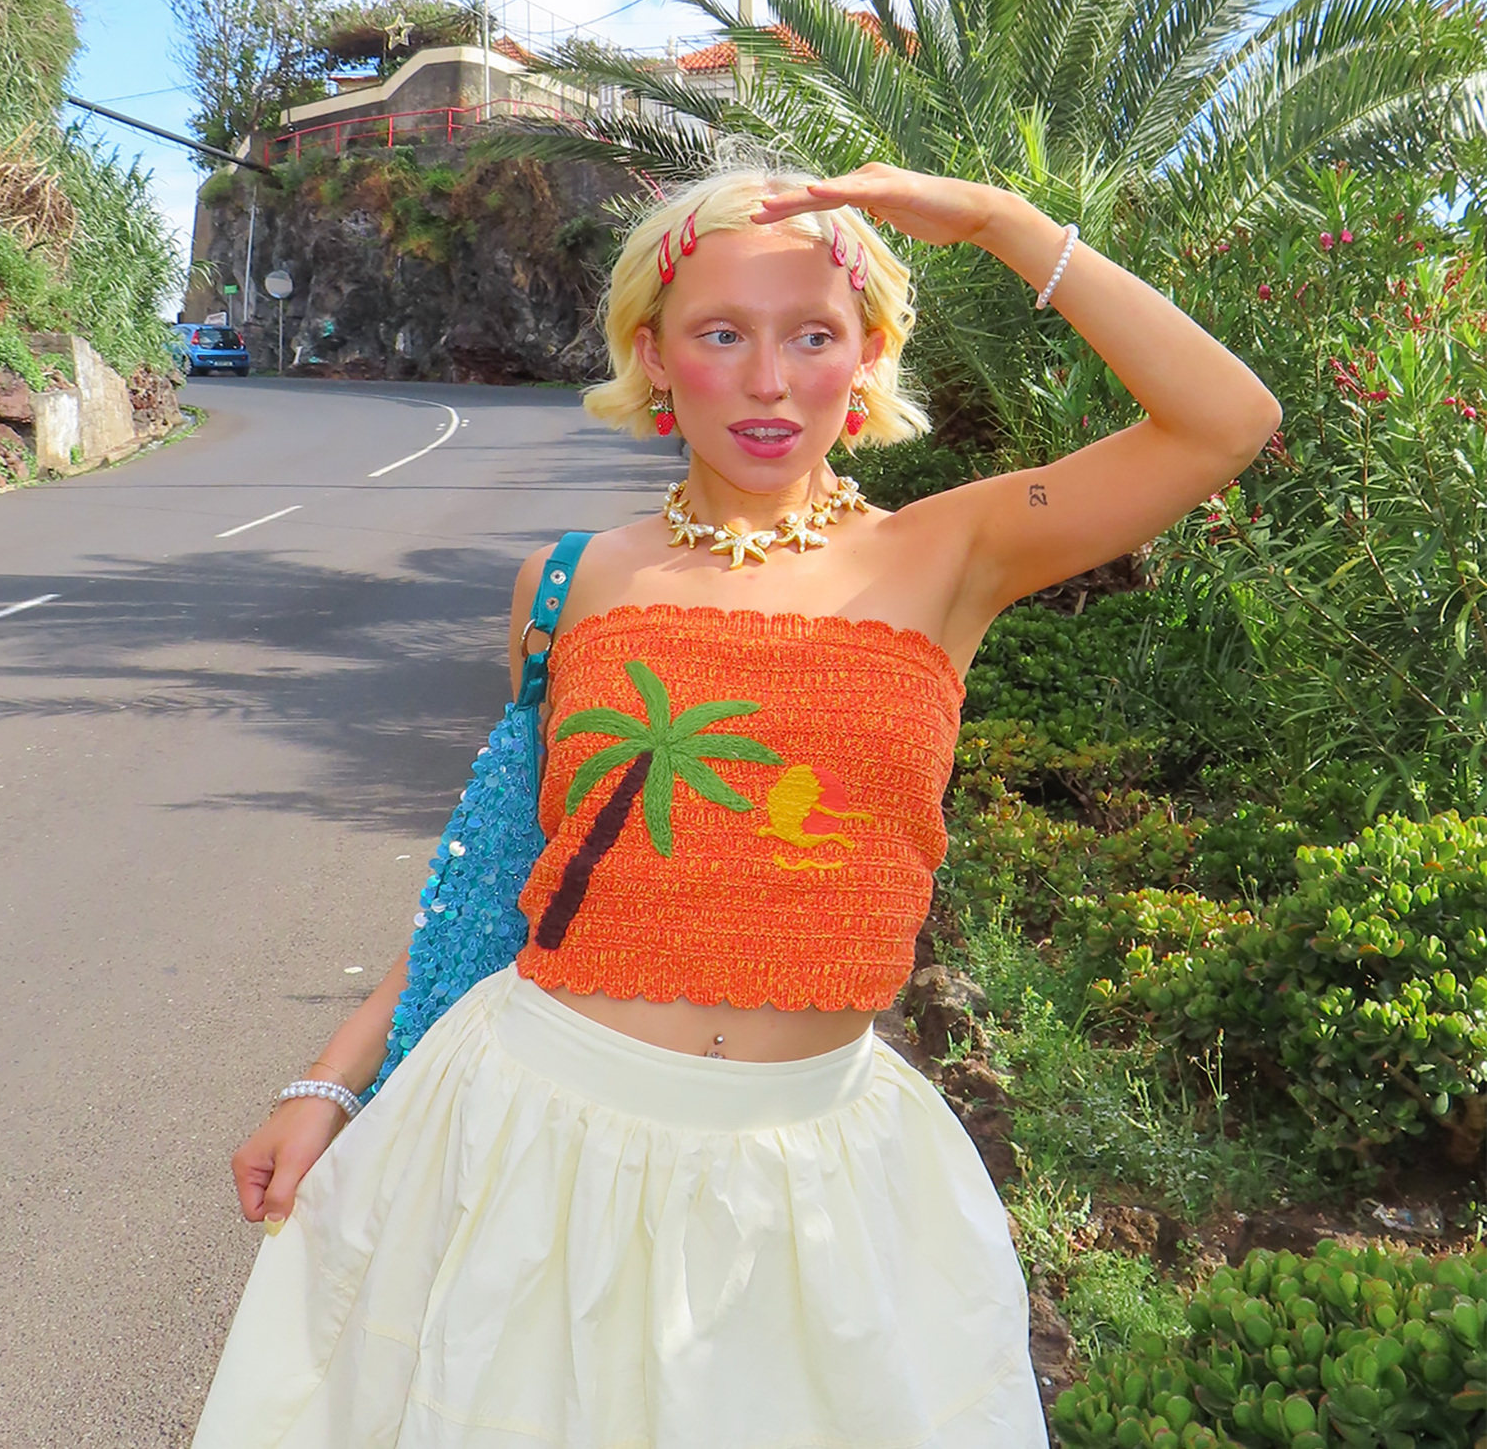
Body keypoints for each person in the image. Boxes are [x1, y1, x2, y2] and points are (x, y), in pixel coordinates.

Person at [191, 155, 1281, 1448]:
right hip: (537, 1147)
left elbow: (1223, 422)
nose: (770, 381)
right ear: (654, 355)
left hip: (819, 1177)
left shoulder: (949, 553)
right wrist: (328, 1085)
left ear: (867, 355)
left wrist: (999, 221)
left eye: (813, 335)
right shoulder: (570, 582)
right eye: (722, 334)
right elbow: (505, 877)